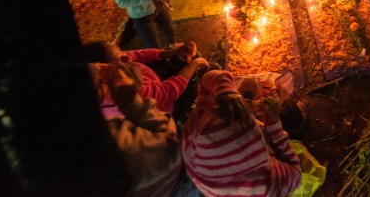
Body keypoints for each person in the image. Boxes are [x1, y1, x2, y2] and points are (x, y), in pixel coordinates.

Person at [182, 70, 301, 197]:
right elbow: (296, 172)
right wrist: (273, 124)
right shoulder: (268, 182)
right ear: (257, 146)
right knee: (289, 112)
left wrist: (229, 98)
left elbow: (205, 93)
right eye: (254, 127)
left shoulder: (194, 152)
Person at [88, 61, 184, 197]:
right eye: (100, 80)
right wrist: (134, 103)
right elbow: (169, 146)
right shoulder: (113, 145)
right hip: (176, 181)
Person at [82, 40, 208, 115]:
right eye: (119, 59)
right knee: (193, 83)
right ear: (106, 76)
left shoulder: (114, 68)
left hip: (152, 78)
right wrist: (195, 64)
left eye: (121, 52)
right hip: (164, 107)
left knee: (186, 58)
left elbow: (138, 55)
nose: (127, 57)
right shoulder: (129, 92)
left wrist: (175, 52)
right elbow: (168, 91)